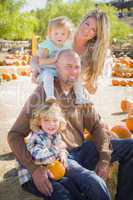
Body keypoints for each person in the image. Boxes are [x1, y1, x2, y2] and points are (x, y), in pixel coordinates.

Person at [8, 49, 133, 200]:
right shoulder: (42, 94)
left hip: (82, 150)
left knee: (130, 146)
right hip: (60, 157)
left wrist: (104, 158)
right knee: (94, 182)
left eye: (77, 66)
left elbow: (97, 126)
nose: (73, 71)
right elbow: (14, 135)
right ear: (57, 68)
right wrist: (34, 168)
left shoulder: (80, 93)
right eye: (68, 66)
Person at [17, 99, 110, 200]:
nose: (51, 124)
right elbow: (40, 157)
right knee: (58, 191)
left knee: (70, 184)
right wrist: (58, 149)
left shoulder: (55, 134)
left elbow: (61, 149)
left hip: (50, 171)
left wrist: (63, 153)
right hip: (33, 177)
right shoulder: (36, 137)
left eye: (55, 120)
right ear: (39, 121)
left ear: (60, 121)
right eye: (46, 120)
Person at [31, 10, 110, 95]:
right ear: (82, 21)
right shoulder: (63, 35)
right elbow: (37, 57)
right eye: (87, 24)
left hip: (73, 93)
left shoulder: (94, 54)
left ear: (97, 34)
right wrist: (36, 69)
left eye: (93, 30)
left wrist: (80, 79)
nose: (87, 30)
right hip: (51, 86)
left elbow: (93, 90)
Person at [32, 16, 90, 104]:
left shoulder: (67, 46)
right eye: (56, 33)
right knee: (48, 76)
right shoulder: (48, 46)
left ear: (67, 35)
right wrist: (54, 59)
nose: (59, 36)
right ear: (50, 33)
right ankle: (50, 95)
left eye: (63, 34)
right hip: (48, 70)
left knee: (76, 78)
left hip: (61, 72)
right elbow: (40, 61)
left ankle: (79, 97)